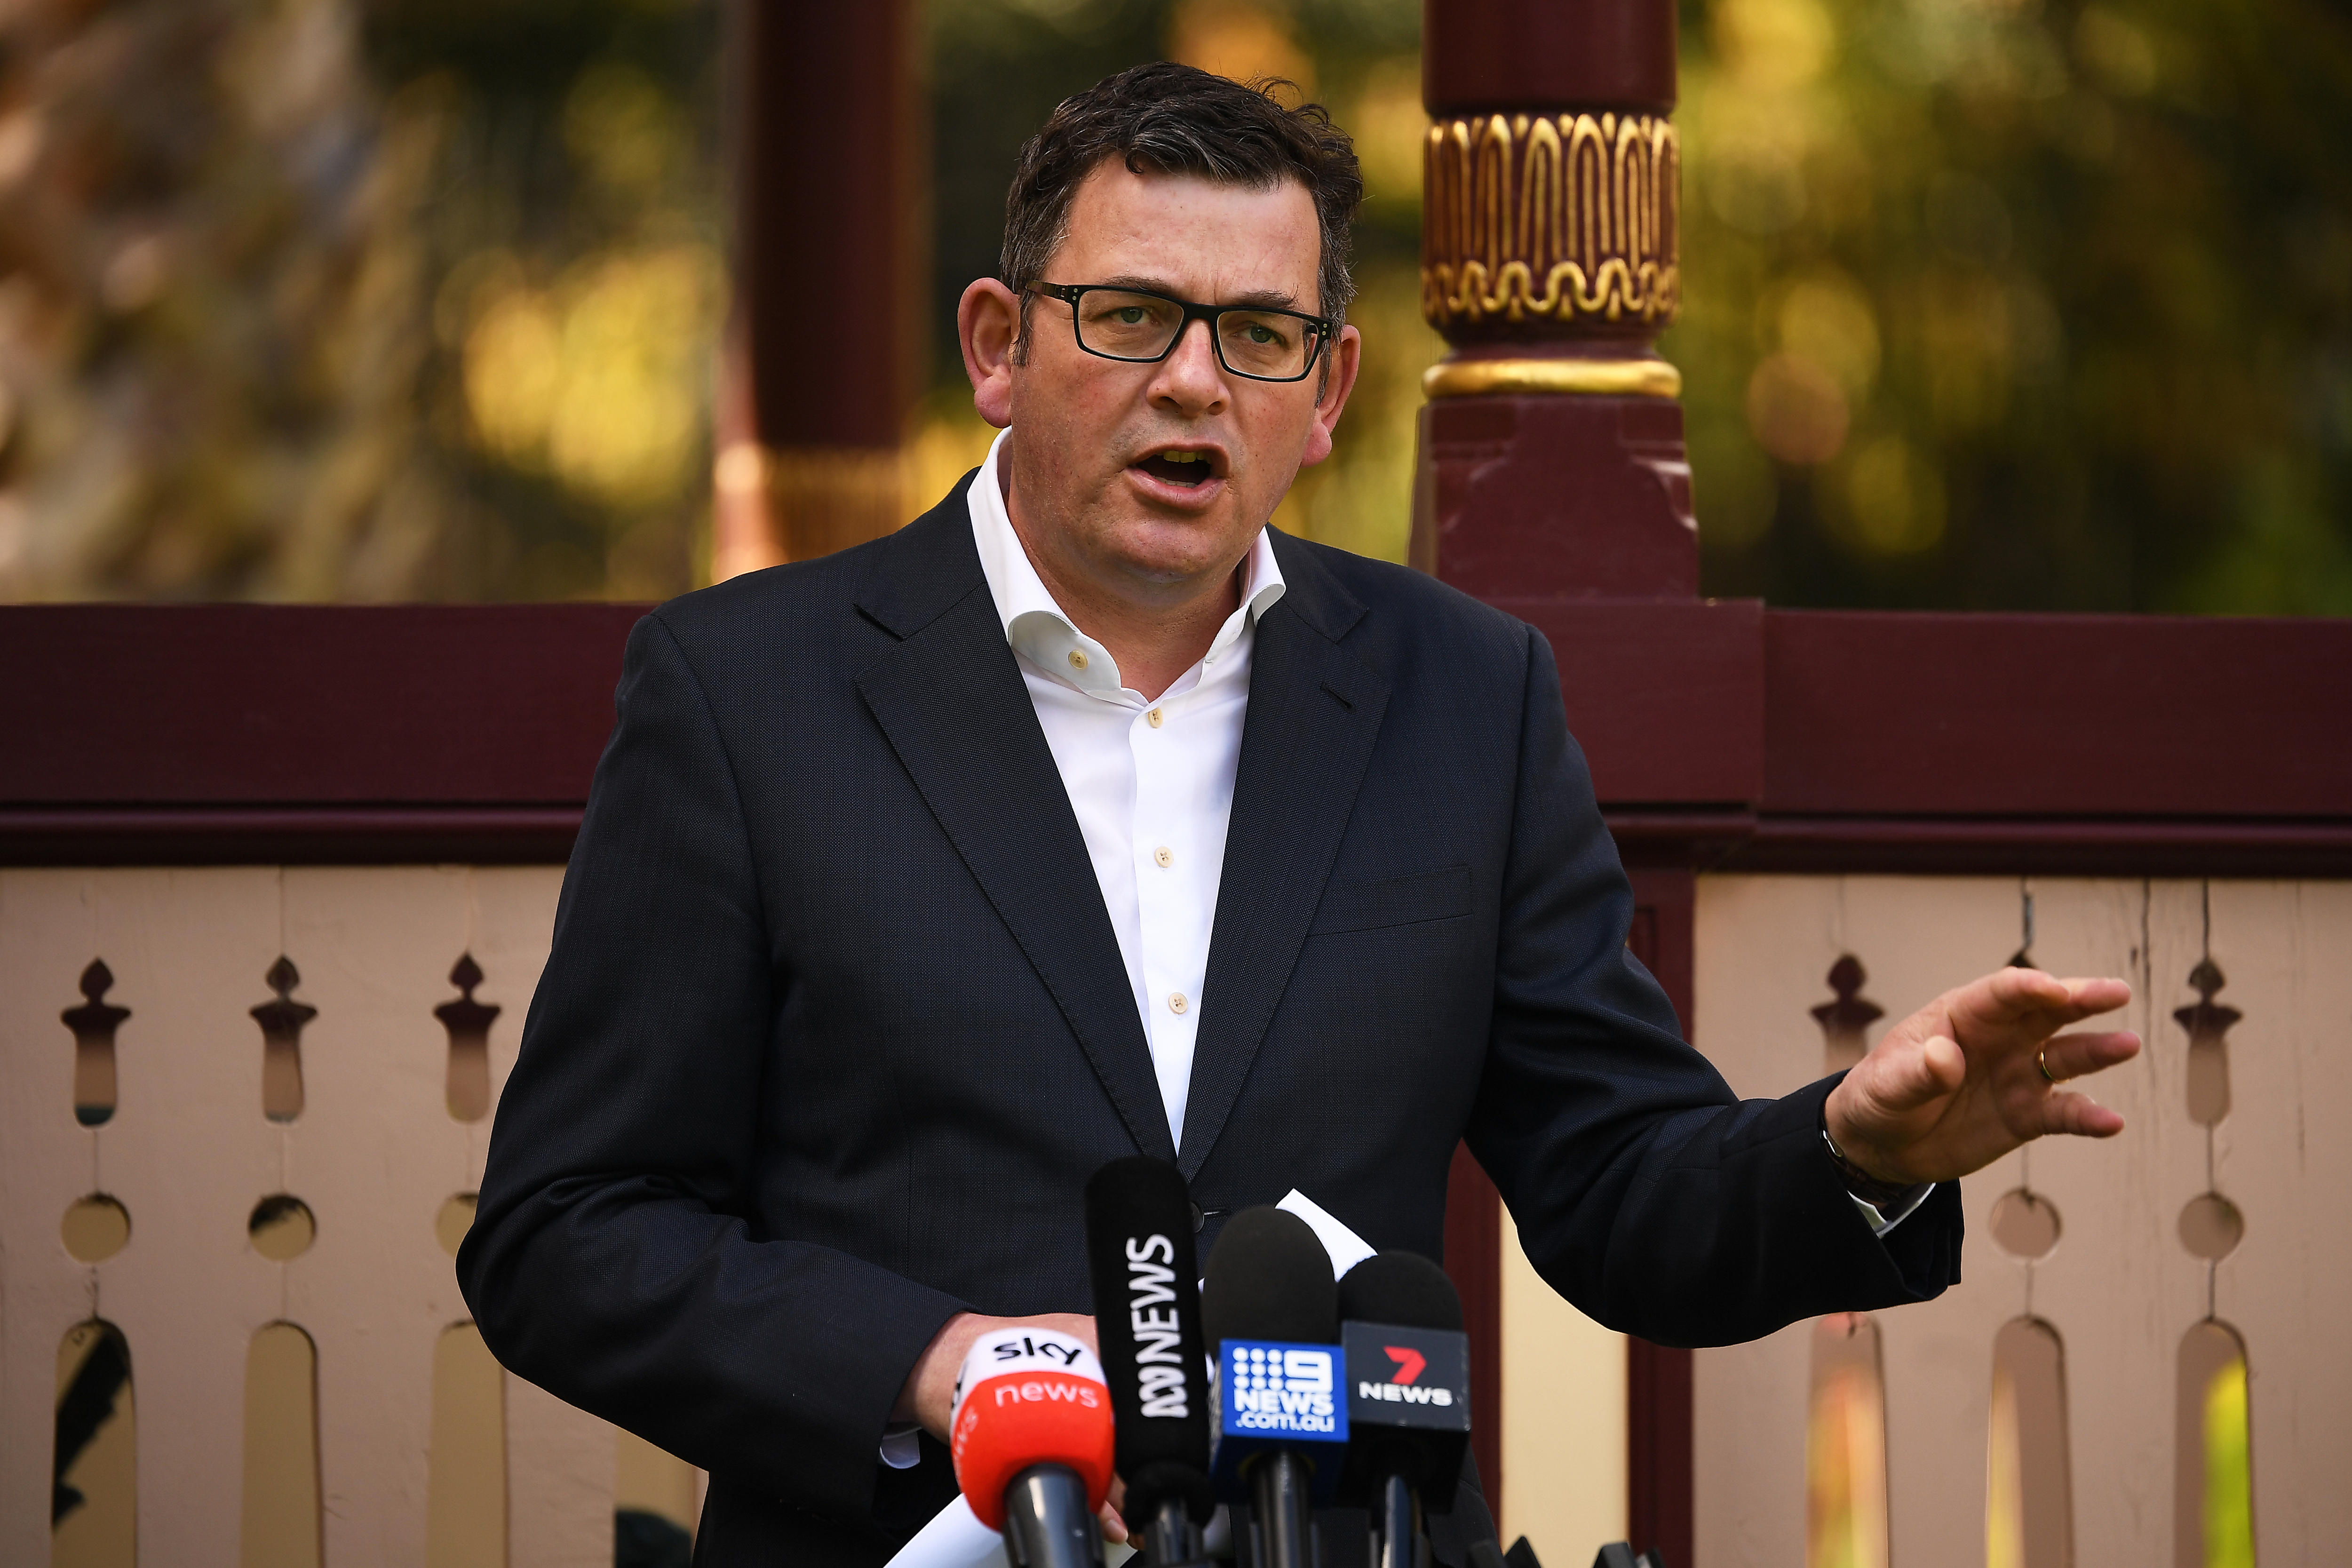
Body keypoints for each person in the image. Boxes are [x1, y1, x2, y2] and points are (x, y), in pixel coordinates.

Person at [458, 63, 2139, 1568]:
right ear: (997, 346)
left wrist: (1852, 1151)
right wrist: (939, 1362)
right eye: (1131, 316)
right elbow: (567, 1233)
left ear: (1327, 391)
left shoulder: (1467, 695)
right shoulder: (746, 691)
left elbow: (1623, 1187)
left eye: (1257, 335)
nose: (1195, 382)